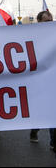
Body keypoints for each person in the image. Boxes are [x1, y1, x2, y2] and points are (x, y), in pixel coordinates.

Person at [30, 11, 54, 147]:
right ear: (39, 22)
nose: (50, 24)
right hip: (39, 79)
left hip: (52, 79)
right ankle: (35, 128)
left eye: (51, 21)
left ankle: (53, 141)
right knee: (41, 109)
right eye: (46, 21)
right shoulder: (33, 37)